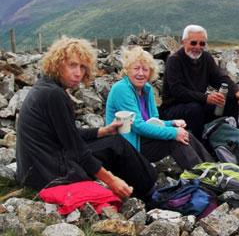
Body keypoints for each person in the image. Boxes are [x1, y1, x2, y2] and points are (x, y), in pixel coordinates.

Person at [16, 37, 157, 200]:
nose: (78, 73)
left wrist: (102, 131)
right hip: (49, 174)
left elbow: (69, 134)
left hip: (35, 170)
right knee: (116, 145)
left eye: (82, 67)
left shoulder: (45, 87)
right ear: (57, 63)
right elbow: (77, 149)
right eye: (72, 65)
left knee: (111, 139)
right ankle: (152, 193)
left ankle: (147, 185)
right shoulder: (54, 95)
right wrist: (112, 180)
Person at [106, 46, 214, 170]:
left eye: (145, 70)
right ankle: (203, 176)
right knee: (175, 140)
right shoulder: (121, 89)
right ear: (127, 71)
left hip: (142, 141)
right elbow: (137, 125)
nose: (141, 73)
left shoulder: (147, 90)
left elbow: (154, 122)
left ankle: (214, 170)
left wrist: (172, 124)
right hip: (127, 148)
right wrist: (173, 133)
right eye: (136, 69)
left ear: (150, 72)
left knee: (185, 134)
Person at [160, 25, 239, 141]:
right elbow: (178, 91)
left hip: (197, 104)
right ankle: (201, 145)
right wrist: (206, 98)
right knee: (194, 108)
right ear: (183, 43)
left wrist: (236, 92)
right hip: (173, 110)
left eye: (202, 44)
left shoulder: (206, 58)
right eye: (193, 43)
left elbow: (219, 78)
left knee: (232, 100)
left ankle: (232, 138)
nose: (197, 47)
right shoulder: (174, 60)